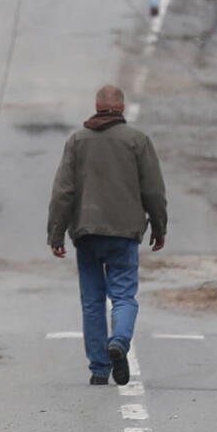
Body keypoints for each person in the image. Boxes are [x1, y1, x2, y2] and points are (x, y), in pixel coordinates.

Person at [47, 85, 167, 385]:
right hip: (125, 233)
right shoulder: (137, 141)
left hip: (86, 232)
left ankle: (99, 369)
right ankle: (120, 341)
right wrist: (159, 225)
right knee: (124, 295)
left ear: (97, 105)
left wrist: (56, 232)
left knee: (92, 301)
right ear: (122, 107)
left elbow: (63, 191)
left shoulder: (77, 141)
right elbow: (152, 189)